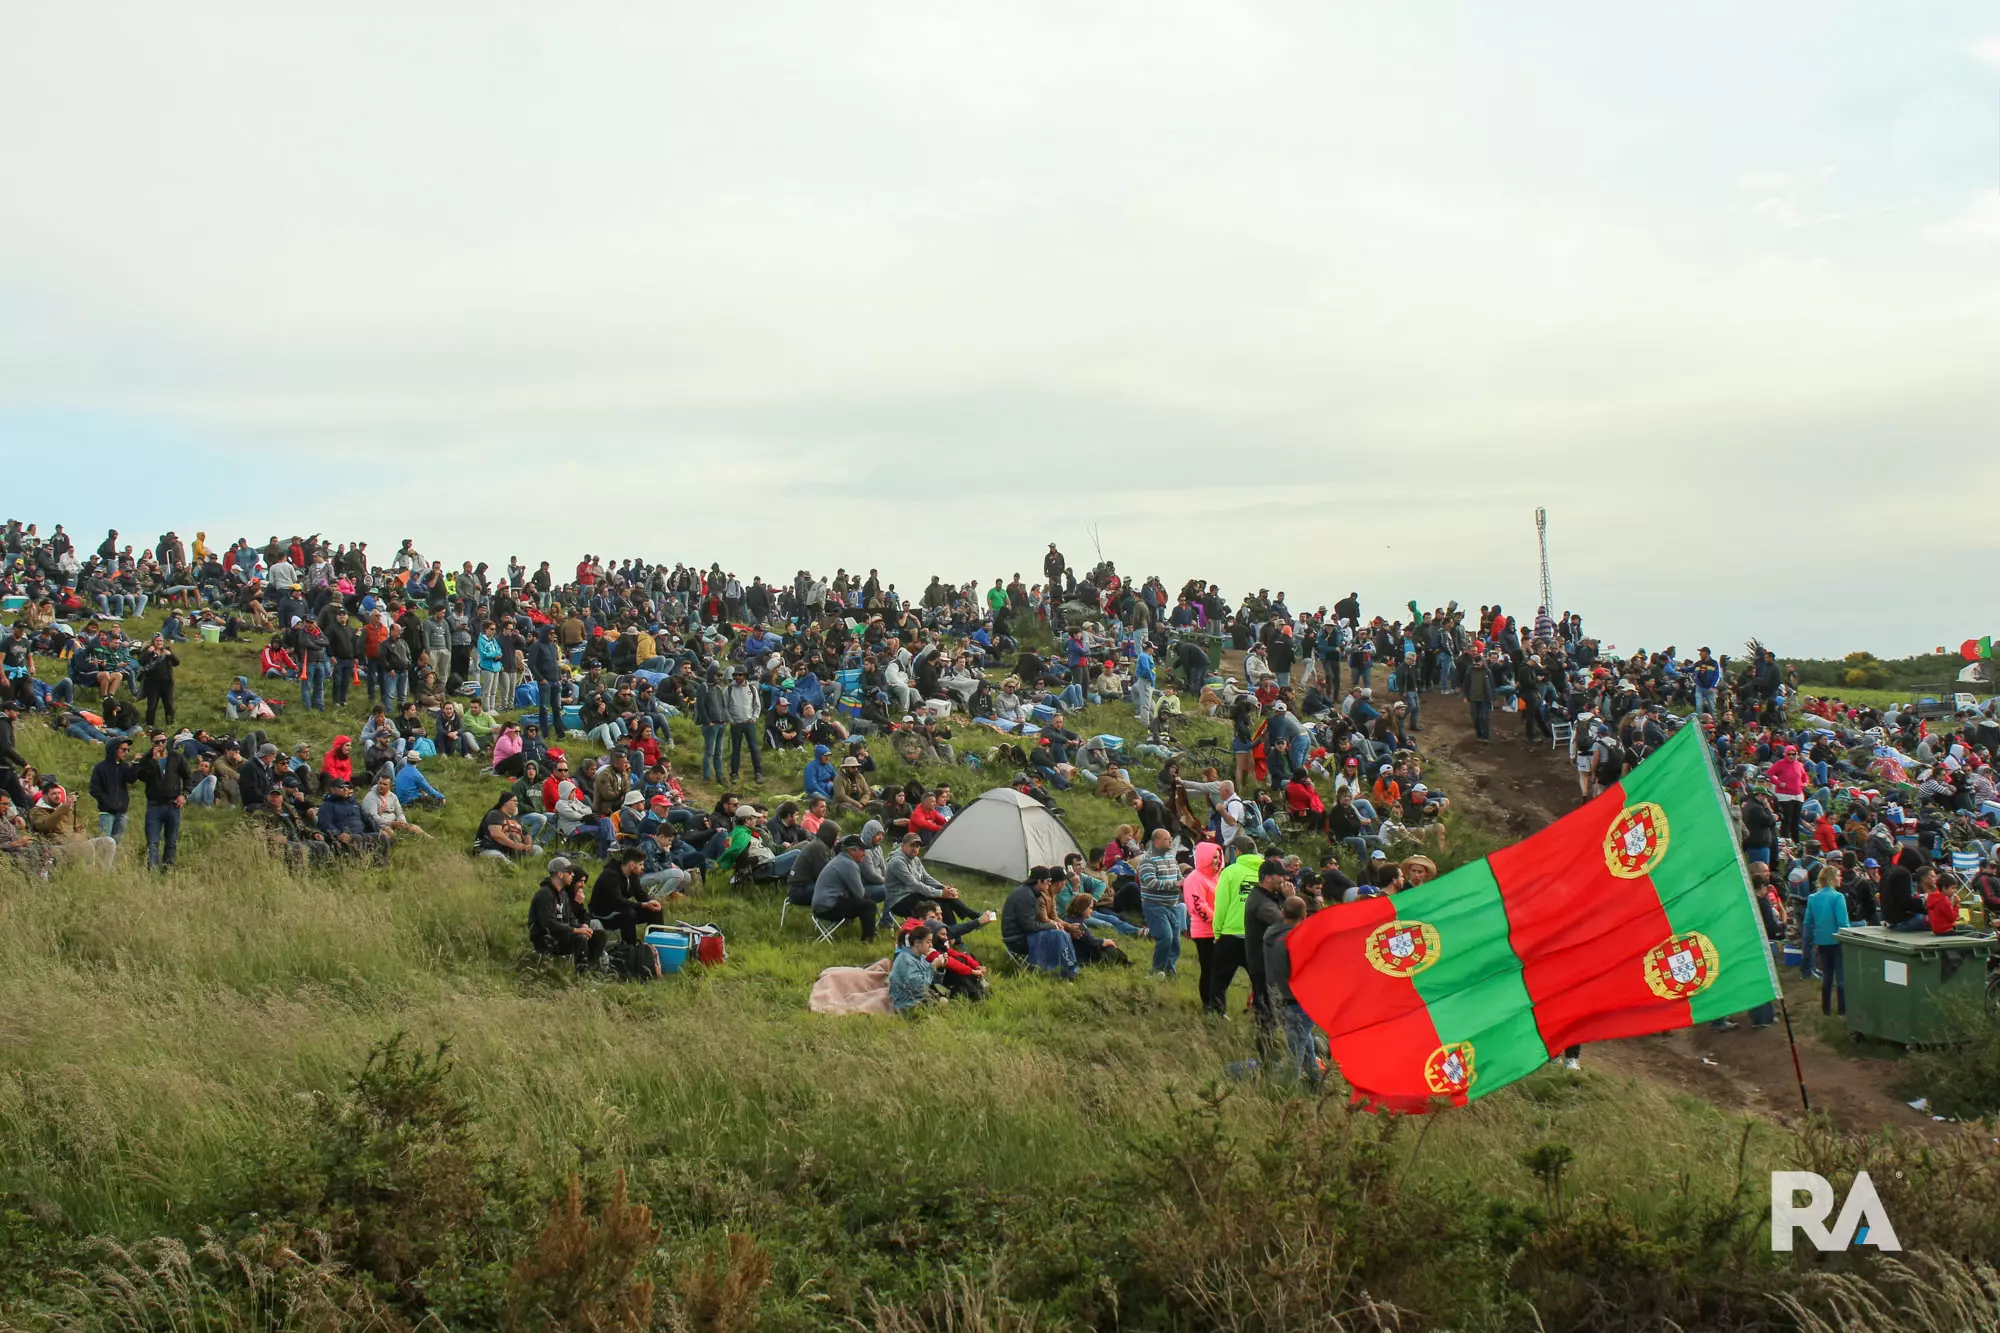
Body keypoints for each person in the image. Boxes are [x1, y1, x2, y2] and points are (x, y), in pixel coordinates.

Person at [1265, 893, 1319, 1087]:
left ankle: (1316, 1080)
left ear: (1283, 912)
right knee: (1297, 1049)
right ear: (1304, 916)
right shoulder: (1297, 941)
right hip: (1298, 1001)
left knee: (1304, 1041)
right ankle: (1288, 1091)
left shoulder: (1271, 934)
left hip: (1277, 997)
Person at [999, 865, 1080, 977]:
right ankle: (1069, 971)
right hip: (1016, 940)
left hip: (1021, 934)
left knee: (1061, 933)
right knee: (1059, 935)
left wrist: (1055, 925)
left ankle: (1069, 968)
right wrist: (1052, 926)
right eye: (1048, 881)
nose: (1049, 883)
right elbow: (1030, 926)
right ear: (1039, 881)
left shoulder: (1029, 892)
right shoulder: (1026, 896)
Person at [528, 858, 606, 974]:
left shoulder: (563, 894)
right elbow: (547, 923)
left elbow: (570, 918)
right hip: (546, 938)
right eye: (569, 872)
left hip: (563, 934)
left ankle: (589, 969)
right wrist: (576, 930)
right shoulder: (544, 894)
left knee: (599, 935)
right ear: (560, 874)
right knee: (580, 937)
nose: (572, 875)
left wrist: (582, 927)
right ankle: (582, 974)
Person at [136, 730, 193, 871]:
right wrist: (154, 762)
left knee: (171, 841)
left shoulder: (176, 757)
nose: (161, 744)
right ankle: (152, 870)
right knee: (152, 841)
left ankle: (168, 869)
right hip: (154, 805)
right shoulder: (147, 759)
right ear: (152, 743)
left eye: (163, 741)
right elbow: (142, 777)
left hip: (173, 803)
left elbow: (188, 777)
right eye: (157, 742)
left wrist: (184, 795)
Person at [1133, 828, 1185, 977]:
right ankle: (1157, 970)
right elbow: (1151, 883)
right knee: (1165, 937)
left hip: (1173, 905)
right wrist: (1174, 885)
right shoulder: (1146, 860)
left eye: (1170, 838)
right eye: (1166, 839)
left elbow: (1180, 877)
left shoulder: (1171, 858)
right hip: (1154, 905)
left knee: (1175, 941)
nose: (1170, 841)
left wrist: (1183, 883)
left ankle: (1169, 971)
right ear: (1156, 842)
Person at [590, 848, 665, 946]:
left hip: (619, 910)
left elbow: (640, 894)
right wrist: (643, 905)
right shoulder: (609, 876)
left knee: (655, 910)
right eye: (641, 864)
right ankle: (630, 948)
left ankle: (656, 945)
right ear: (632, 865)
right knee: (628, 913)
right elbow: (618, 901)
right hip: (603, 914)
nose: (643, 867)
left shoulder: (632, 875)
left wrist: (651, 902)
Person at [1802, 866, 1850, 1016]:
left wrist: (1809, 941)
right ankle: (1842, 1010)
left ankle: (1826, 1009)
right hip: (1837, 941)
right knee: (1841, 978)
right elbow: (1843, 922)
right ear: (1831, 878)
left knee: (1827, 976)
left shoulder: (1813, 898)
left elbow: (1807, 922)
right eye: (1838, 876)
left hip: (1821, 942)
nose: (1840, 878)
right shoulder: (1837, 897)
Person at [812, 834, 877, 941]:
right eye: (861, 850)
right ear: (851, 850)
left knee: (861, 902)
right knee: (869, 905)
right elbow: (860, 894)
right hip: (828, 908)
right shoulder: (849, 864)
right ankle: (868, 940)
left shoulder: (840, 859)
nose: (864, 853)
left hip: (819, 906)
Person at [1184, 841, 1222, 1011]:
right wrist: (1218, 922)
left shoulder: (1217, 877)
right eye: (1213, 857)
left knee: (1218, 970)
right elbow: (1198, 906)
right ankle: (1208, 1004)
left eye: (1218, 857)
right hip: (1204, 932)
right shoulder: (1195, 878)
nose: (1217, 860)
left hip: (1219, 930)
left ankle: (1218, 1003)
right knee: (1209, 969)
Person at [87, 736, 141, 843]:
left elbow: (131, 779)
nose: (126, 752)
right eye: (123, 749)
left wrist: (135, 764)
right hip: (106, 812)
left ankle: (114, 860)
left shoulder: (124, 767)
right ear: (114, 749)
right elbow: (94, 789)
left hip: (122, 812)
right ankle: (102, 860)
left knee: (117, 842)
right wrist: (107, 802)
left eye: (128, 750)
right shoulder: (100, 767)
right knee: (105, 842)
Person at [888, 922, 944, 1012]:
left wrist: (940, 967)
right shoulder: (906, 960)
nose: (931, 945)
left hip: (918, 998)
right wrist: (933, 966)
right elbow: (920, 987)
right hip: (906, 1003)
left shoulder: (920, 958)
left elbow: (933, 982)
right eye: (928, 942)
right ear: (917, 943)